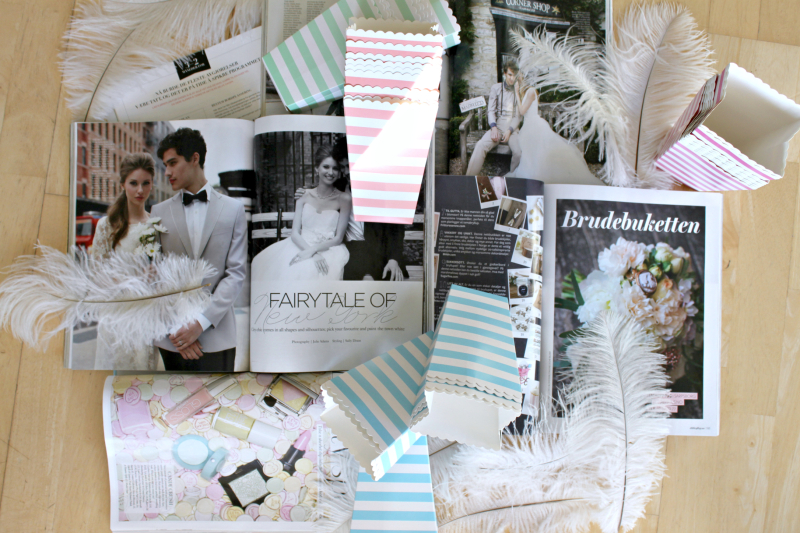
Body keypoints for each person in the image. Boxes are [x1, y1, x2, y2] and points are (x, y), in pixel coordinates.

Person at [151, 128, 247, 372]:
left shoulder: (234, 210)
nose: (167, 172)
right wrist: (180, 331)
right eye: (165, 165)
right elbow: (153, 275)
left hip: (217, 337)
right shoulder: (158, 212)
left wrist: (199, 324)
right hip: (173, 338)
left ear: (195, 158)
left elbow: (235, 274)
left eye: (173, 163)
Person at [91, 153, 161, 370]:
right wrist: (135, 278)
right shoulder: (106, 225)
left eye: (145, 183)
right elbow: (97, 276)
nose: (140, 190)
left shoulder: (156, 225)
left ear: (152, 185)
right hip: (117, 317)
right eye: (133, 183)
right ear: (123, 184)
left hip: (148, 317)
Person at [252, 145, 351, 281]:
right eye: (326, 167)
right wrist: (312, 253)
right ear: (316, 168)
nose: (330, 172)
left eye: (335, 168)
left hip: (328, 249)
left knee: (316, 271)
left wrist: (313, 250)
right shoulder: (303, 195)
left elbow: (338, 238)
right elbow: (295, 233)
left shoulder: (344, 198)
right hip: (300, 245)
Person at [505, 79, 603, 185]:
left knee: (539, 152)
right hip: (528, 126)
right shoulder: (526, 92)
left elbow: (522, 111)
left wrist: (516, 93)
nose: (519, 82)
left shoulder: (531, 91)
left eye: (520, 79)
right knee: (531, 155)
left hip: (534, 126)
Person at [465, 60, 523, 176]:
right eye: (510, 75)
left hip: (513, 129)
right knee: (481, 145)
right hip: (499, 126)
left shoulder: (518, 91)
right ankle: (469, 179)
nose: (512, 78)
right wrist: (494, 127)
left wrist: (510, 130)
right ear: (505, 73)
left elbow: (518, 116)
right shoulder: (496, 88)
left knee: (518, 153)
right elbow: (491, 110)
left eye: (514, 76)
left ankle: (512, 179)